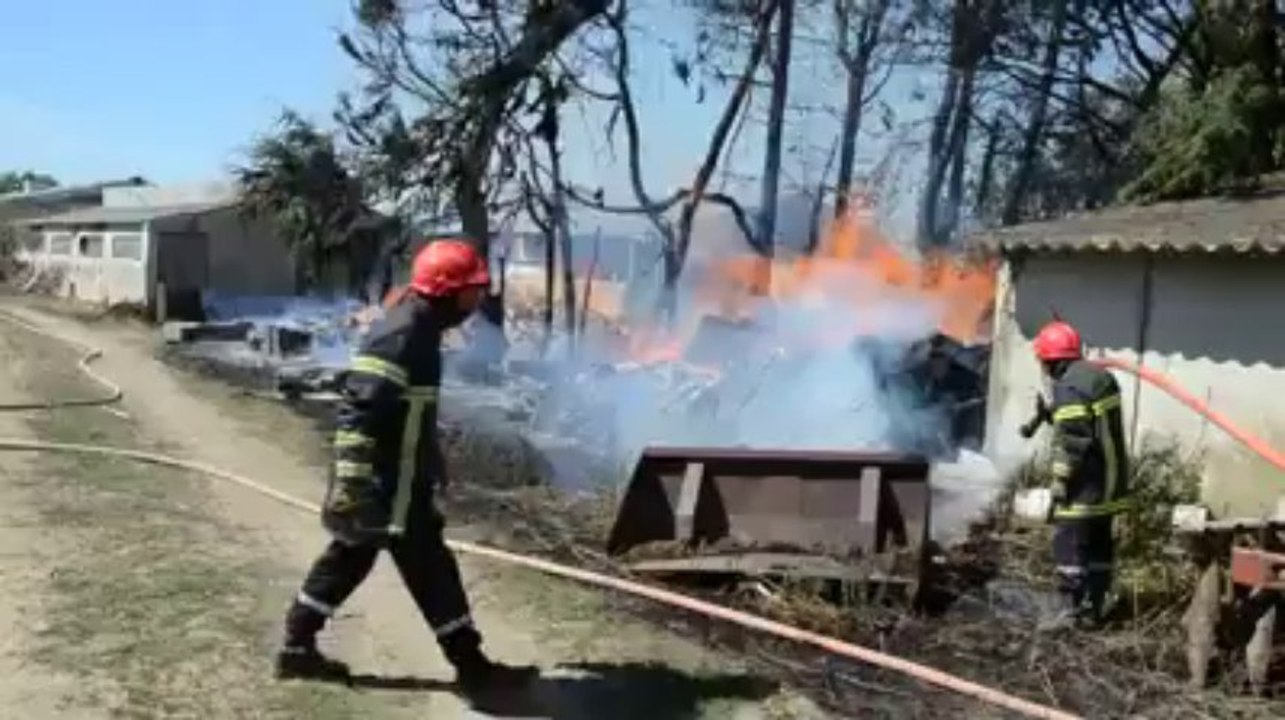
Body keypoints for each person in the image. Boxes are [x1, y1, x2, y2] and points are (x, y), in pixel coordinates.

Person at [275, 237, 535, 692]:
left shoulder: (421, 328)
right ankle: (470, 666)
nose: (478, 300)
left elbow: (409, 412)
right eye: (472, 289)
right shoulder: (403, 335)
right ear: (447, 291)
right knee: (420, 566)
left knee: (357, 560)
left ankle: (297, 648)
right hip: (384, 485)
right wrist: (352, 487)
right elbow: (360, 411)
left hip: (399, 481)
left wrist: (432, 461)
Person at [1027, 320, 1131, 629]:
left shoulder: (1069, 387)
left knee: (1069, 544)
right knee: (1100, 545)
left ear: (1050, 360)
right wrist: (1052, 414)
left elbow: (1074, 441)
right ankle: (1094, 608)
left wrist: (1060, 481)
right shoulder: (1099, 377)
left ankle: (1066, 612)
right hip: (1112, 481)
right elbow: (1090, 424)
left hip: (1086, 484)